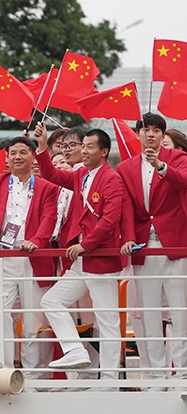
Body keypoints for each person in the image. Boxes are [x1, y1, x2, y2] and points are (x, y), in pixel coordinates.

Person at [34, 124, 125, 382]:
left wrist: (85, 245)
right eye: (82, 146)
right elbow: (51, 174)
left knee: (107, 322)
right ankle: (75, 350)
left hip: (100, 259)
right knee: (51, 301)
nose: (83, 151)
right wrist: (42, 145)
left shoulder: (112, 179)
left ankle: (109, 381)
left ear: (104, 151)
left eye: (89, 147)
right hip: (82, 260)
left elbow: (110, 221)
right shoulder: (82, 174)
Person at [0, 135, 58, 380]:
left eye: (23, 152)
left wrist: (36, 242)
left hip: (32, 257)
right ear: (7, 158)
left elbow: (49, 219)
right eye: (13, 153)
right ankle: (4, 369)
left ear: (32, 156)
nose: (18, 157)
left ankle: (35, 375)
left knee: (33, 319)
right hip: (4, 257)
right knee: (2, 313)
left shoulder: (47, 187)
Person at [118, 113, 187, 385]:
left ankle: (183, 373)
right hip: (144, 246)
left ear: (162, 135)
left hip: (174, 245)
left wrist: (160, 166)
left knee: (181, 311)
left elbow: (184, 180)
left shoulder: (178, 159)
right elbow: (125, 207)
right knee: (149, 313)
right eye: (146, 130)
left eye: (156, 130)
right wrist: (126, 236)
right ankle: (157, 374)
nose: (151, 134)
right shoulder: (125, 168)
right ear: (138, 135)